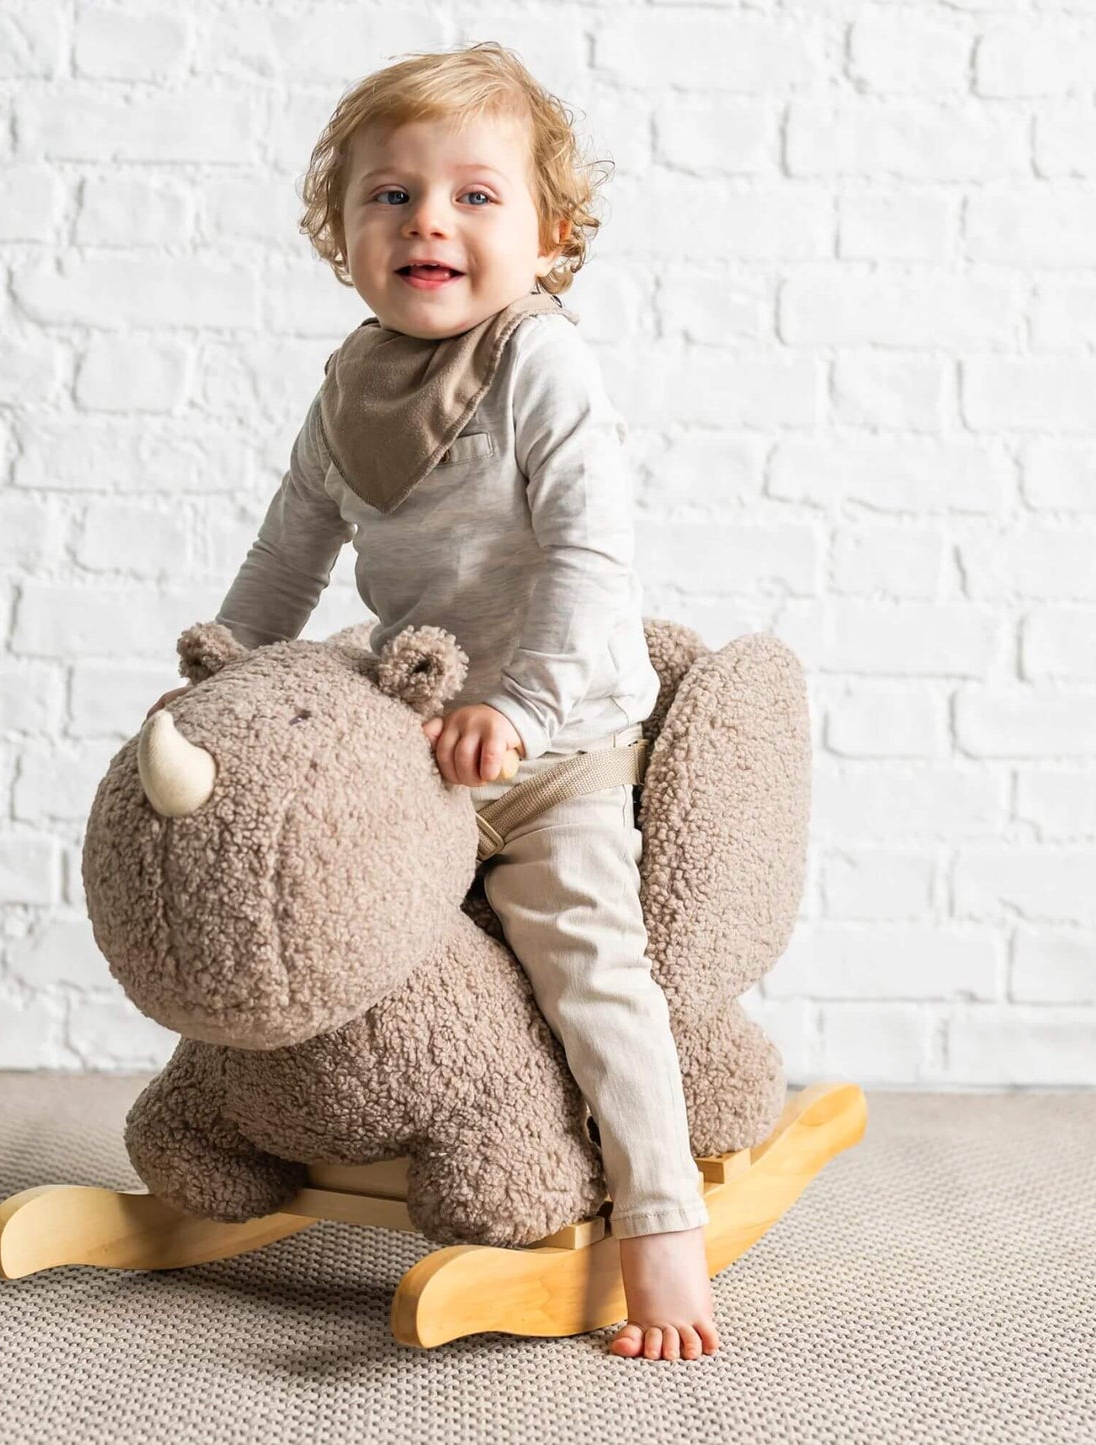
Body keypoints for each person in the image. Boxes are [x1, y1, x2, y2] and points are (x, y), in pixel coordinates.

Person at [146, 42, 719, 1363]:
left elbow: (589, 563)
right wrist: (234, 658)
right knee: (309, 899)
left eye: (473, 196)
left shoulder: (540, 368)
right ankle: (278, 1123)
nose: (428, 223)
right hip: (416, 731)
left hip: (555, 739)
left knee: (589, 966)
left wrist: (516, 712)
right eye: (390, 197)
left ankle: (659, 1221)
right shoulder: (349, 389)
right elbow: (291, 547)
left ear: (550, 235)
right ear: (338, 231)